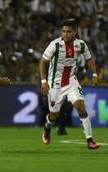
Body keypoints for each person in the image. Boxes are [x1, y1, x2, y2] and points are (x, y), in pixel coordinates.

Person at [39, 19, 99, 149]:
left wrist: (94, 74)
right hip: (55, 84)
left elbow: (89, 59)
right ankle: (47, 127)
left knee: (81, 109)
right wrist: (44, 82)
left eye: (68, 32)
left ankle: (90, 140)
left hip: (71, 81)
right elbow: (43, 62)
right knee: (53, 115)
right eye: (63, 31)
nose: (65, 34)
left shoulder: (81, 45)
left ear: (75, 32)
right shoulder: (54, 45)